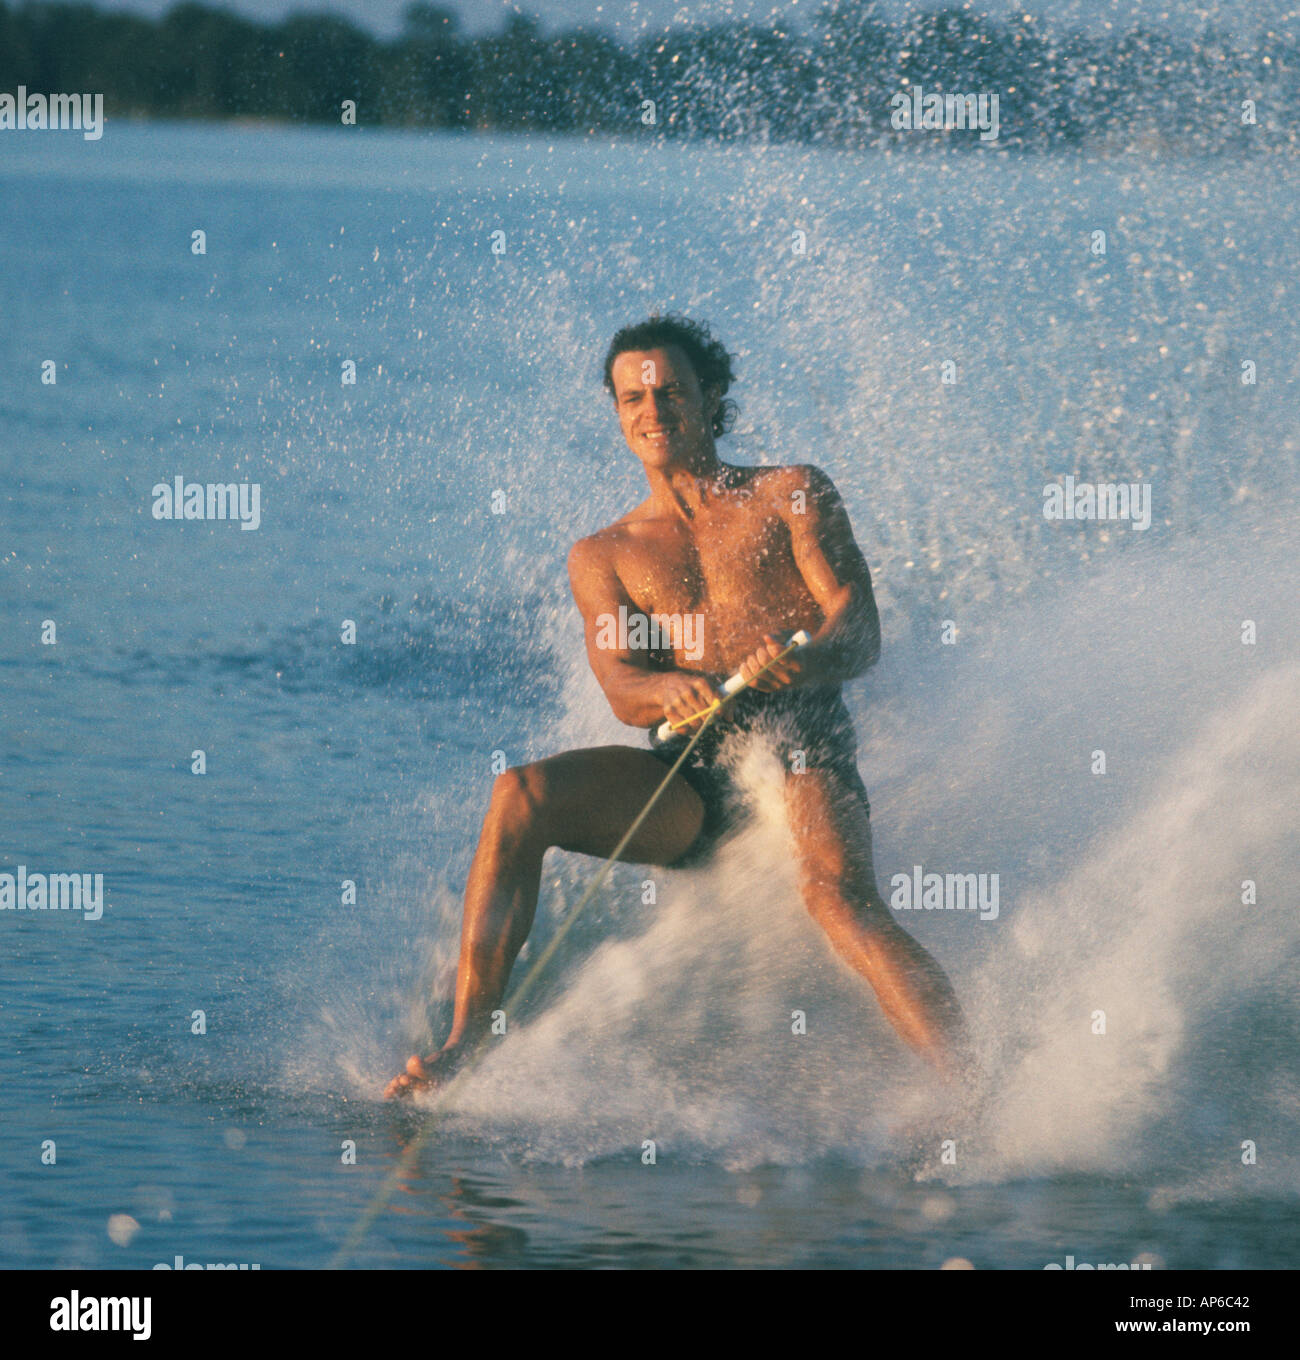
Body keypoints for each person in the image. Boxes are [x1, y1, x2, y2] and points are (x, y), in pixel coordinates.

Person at [386, 314, 968, 1098]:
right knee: (518, 794)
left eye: (669, 392)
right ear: (617, 411)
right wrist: (665, 689)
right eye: (632, 397)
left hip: (801, 742)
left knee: (836, 897)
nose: (652, 411)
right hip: (686, 779)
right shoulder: (605, 554)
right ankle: (465, 1046)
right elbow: (624, 690)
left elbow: (858, 633)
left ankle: (971, 1091)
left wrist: (803, 659)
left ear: (711, 396)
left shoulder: (788, 493)